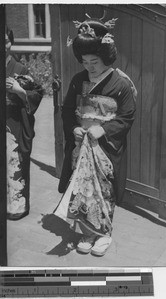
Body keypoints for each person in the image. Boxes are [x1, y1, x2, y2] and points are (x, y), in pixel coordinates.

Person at [54, 18, 136, 256]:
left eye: (95, 62)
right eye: (85, 62)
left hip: (105, 147)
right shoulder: (78, 80)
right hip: (81, 144)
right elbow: (68, 110)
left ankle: (104, 233)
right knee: (82, 188)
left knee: (104, 189)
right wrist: (73, 129)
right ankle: (87, 233)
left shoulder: (121, 84)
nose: (90, 67)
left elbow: (127, 116)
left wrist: (106, 130)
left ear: (106, 58)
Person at [6, 26, 44, 220]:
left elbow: (38, 92)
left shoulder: (20, 69)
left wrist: (20, 90)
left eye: (5, 41)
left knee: (14, 164)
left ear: (10, 42)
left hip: (13, 125)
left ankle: (16, 207)